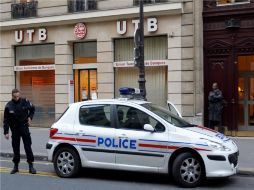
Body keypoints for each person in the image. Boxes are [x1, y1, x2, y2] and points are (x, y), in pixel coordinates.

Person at [3, 89, 36, 174]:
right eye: (15, 97)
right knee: (15, 148)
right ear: (12, 96)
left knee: (28, 147)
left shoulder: (25, 101)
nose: (17, 98)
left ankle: (31, 166)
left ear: (19, 95)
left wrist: (30, 117)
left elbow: (32, 109)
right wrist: (6, 132)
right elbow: (6, 120)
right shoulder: (8, 105)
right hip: (15, 129)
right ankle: (16, 166)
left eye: (18, 96)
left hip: (24, 127)